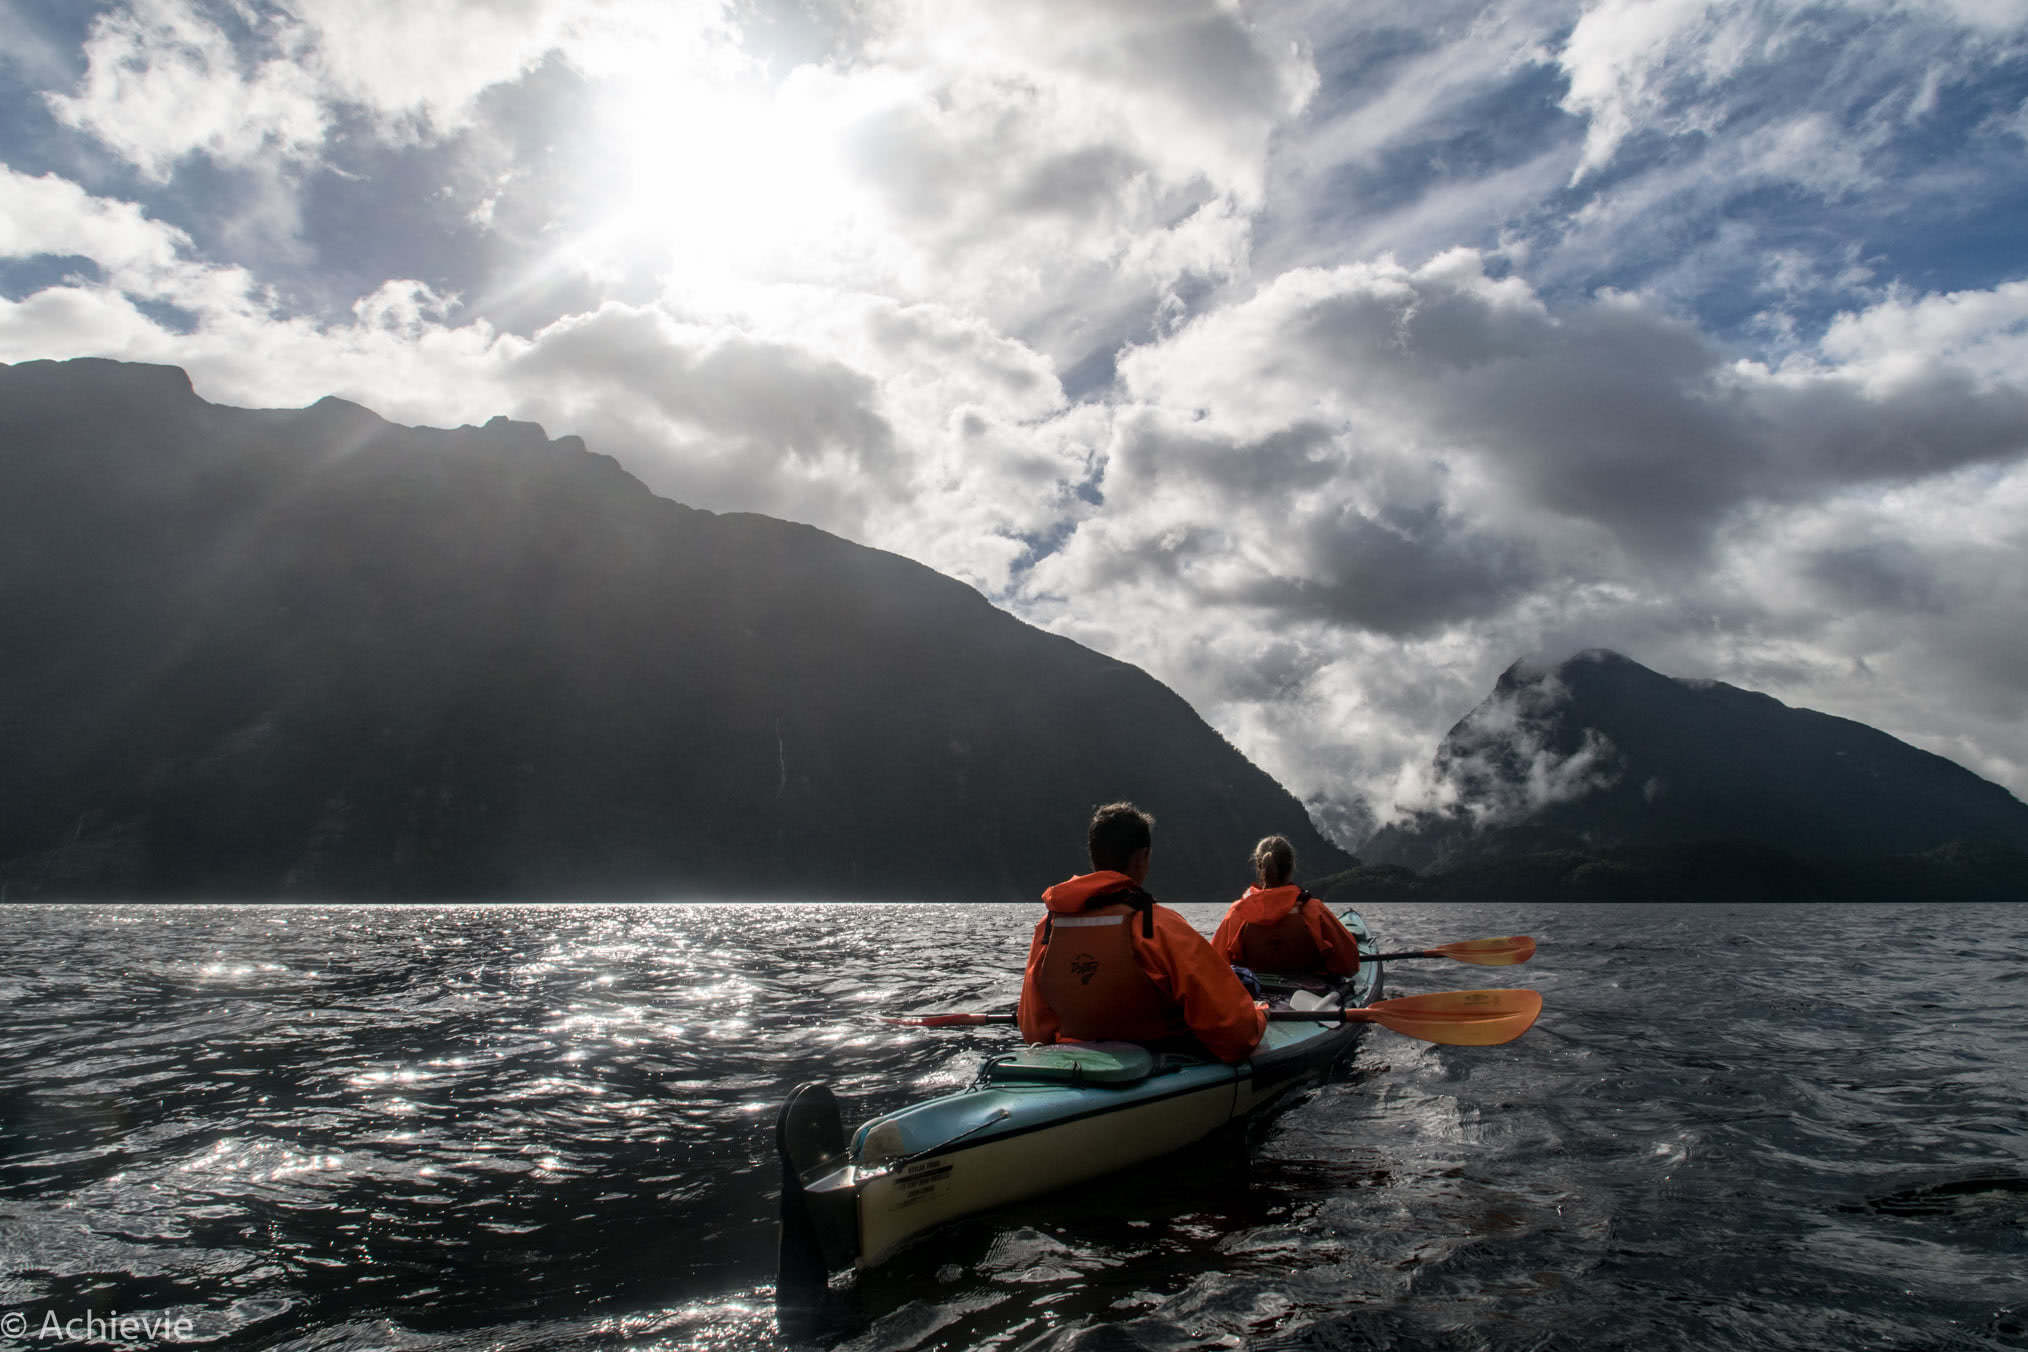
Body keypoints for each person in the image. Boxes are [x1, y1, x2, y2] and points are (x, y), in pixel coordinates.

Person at [1017, 802, 1267, 1064]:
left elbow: (1033, 1030)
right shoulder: (1156, 925)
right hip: (1161, 1061)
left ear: (1094, 856)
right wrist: (1259, 1014)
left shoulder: (1049, 928)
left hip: (1076, 1062)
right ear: (1142, 857)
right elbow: (1236, 1032)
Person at [1211, 834, 1361, 985]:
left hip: (1253, 993)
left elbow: (1214, 967)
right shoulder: (1313, 909)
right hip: (1312, 992)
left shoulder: (1238, 912)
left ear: (1259, 866)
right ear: (1291, 867)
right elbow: (1350, 965)